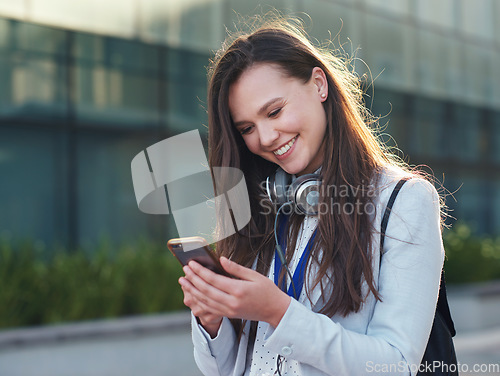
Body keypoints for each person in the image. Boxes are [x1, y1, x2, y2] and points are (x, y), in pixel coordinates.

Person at [178, 15, 444, 376]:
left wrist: (279, 312)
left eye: (274, 111)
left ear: (319, 84)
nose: (267, 137)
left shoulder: (403, 201)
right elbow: (228, 369)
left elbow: (395, 364)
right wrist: (211, 321)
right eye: (247, 128)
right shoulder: (266, 206)